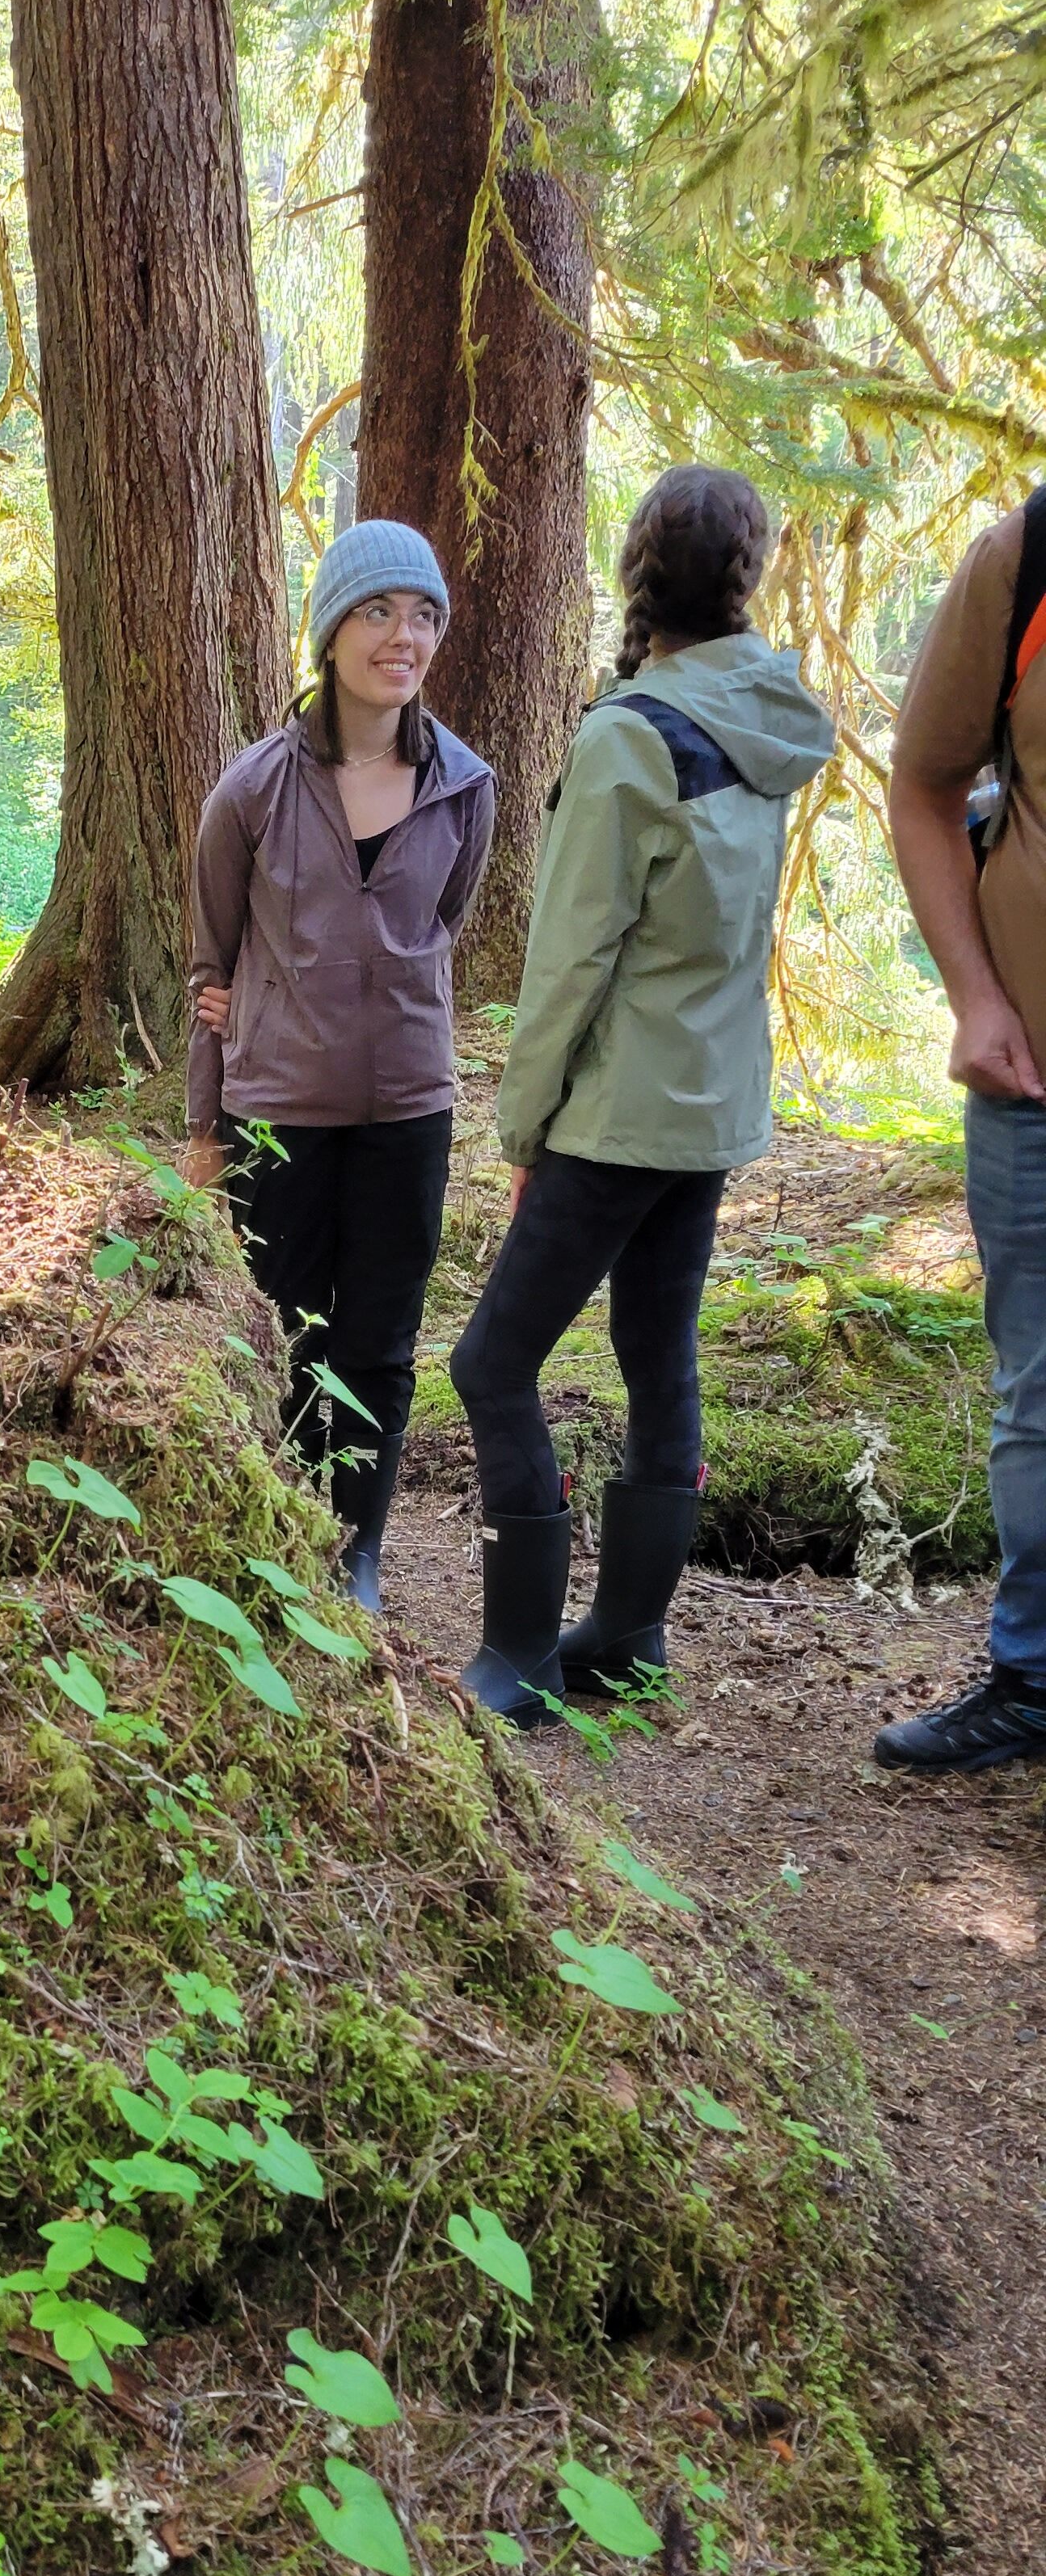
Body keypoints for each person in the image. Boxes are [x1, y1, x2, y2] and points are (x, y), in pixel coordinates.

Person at [448, 466, 835, 1723]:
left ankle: (518, 1659)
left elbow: (570, 963)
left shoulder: (632, 735)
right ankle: (627, 1640)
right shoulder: (769, 718)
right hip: (710, 1111)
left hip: (618, 1116)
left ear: (636, 577)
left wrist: (523, 1126)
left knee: (491, 1363)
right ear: (746, 580)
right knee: (657, 1355)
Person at [184, 520, 496, 1607]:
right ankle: (283, 1543)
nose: (403, 637)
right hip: (279, 1113)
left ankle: (356, 1555)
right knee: (280, 1334)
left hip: (409, 1110)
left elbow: (441, 928)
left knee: (379, 1343)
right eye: (377, 613)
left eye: (424, 616)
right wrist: (203, 1129)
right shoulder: (253, 791)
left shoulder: (465, 785)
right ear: (330, 632)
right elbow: (211, 965)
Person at [869, 487, 1046, 1770]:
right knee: (1039, 1394)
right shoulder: (1025, 560)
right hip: (1034, 1081)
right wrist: (976, 997)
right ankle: (1032, 1678)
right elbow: (925, 785)